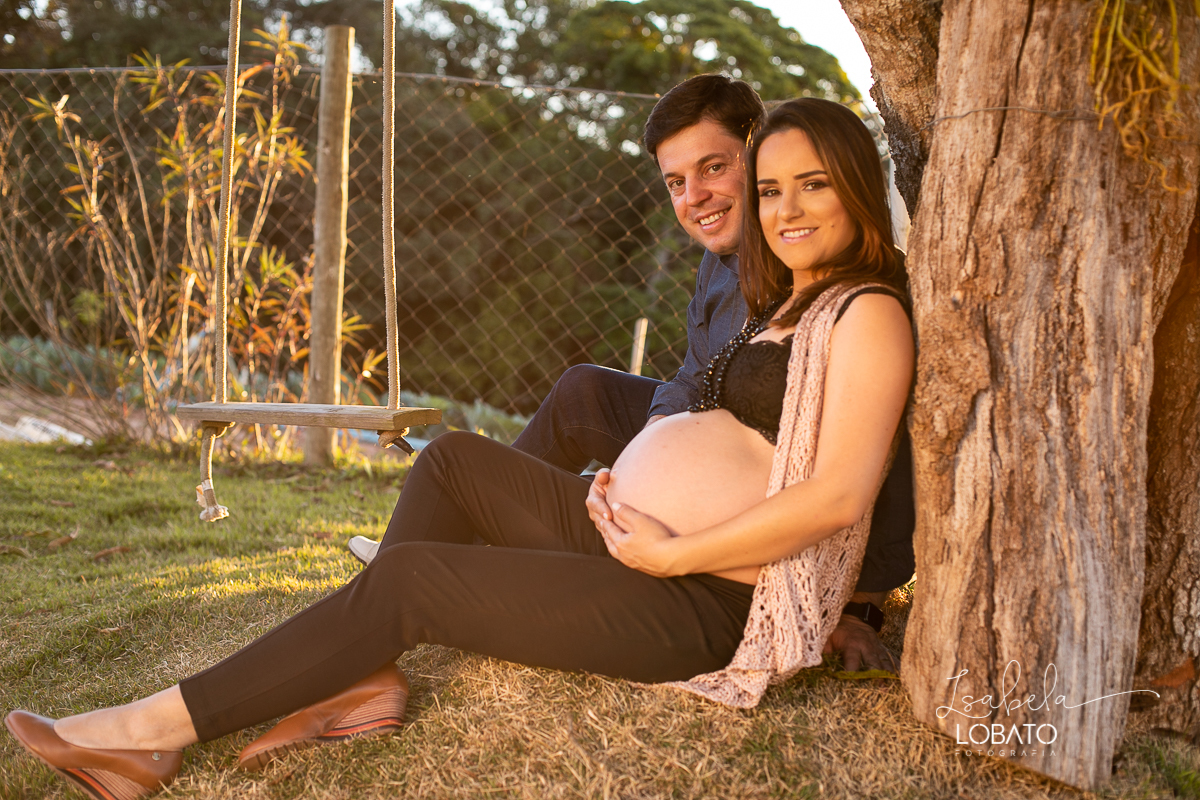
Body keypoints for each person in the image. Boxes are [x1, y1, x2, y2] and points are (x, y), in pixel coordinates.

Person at [5, 97, 914, 800]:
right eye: (771, 189)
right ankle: (361, 678)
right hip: (644, 547)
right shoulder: (784, 297)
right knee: (452, 460)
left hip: (708, 604)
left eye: (814, 185)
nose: (785, 208)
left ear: (856, 187)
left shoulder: (867, 311)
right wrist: (629, 481)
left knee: (415, 583)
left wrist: (675, 547)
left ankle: (149, 732)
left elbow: (837, 497)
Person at [348, 75, 915, 670]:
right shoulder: (721, 262)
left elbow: (883, 454)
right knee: (584, 391)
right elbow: (695, 377)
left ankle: (458, 556)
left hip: (765, 504)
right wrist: (653, 451)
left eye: (714, 168)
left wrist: (863, 607)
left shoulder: (834, 272)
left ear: (759, 152)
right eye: (677, 182)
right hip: (717, 454)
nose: (695, 197)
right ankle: (455, 538)